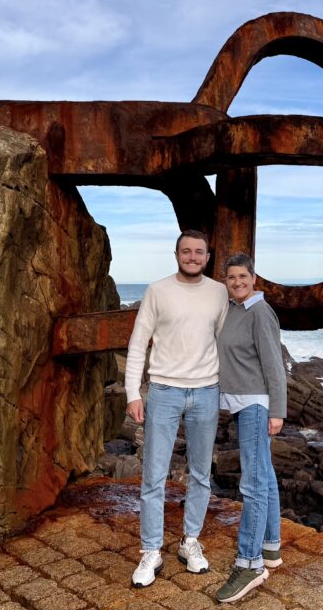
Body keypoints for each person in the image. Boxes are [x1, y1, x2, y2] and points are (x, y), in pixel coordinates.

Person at [125, 229, 229, 588]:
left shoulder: (219, 292)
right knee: (154, 475)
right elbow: (138, 344)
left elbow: (224, 342)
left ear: (207, 256)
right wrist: (132, 394)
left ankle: (189, 542)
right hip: (164, 391)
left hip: (206, 392)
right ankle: (151, 550)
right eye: (186, 252)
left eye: (199, 252)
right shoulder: (157, 291)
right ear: (176, 255)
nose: (193, 257)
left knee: (200, 473)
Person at [214, 253, 287, 603]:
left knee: (254, 483)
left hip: (256, 405)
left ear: (254, 278)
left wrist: (278, 410)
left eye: (243, 276)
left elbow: (275, 364)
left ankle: (250, 563)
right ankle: (271, 546)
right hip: (240, 401)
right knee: (265, 474)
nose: (238, 282)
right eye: (232, 277)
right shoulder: (233, 310)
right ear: (225, 281)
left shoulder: (260, 312)